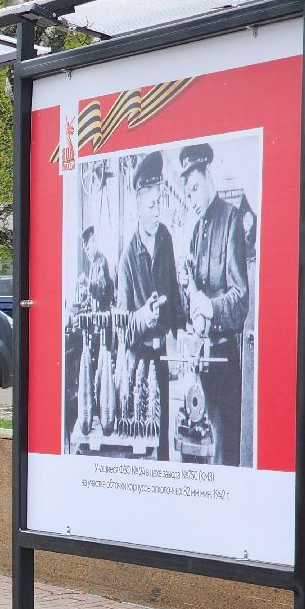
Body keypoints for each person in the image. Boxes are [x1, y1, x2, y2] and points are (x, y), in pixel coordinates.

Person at [179, 142, 250, 466]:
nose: (192, 199)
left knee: (223, 453)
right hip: (199, 361)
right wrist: (187, 289)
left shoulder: (232, 220)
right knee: (193, 444)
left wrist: (210, 307)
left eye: (194, 188)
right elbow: (193, 295)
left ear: (208, 175)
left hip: (223, 360)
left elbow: (240, 298)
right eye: (188, 192)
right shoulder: (196, 231)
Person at [116, 151, 182, 459]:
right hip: (139, 357)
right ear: (138, 206)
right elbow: (121, 326)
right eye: (153, 205)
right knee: (142, 427)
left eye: (160, 203)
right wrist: (145, 314)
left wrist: (181, 327)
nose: (158, 211)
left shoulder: (165, 237)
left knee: (164, 426)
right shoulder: (127, 260)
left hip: (163, 351)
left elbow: (173, 286)